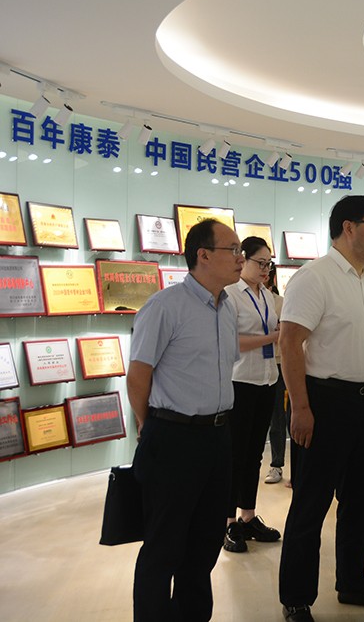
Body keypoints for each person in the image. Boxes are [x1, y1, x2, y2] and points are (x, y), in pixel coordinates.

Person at [278, 195, 364, 622]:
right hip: (324, 402)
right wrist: (301, 408)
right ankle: (296, 598)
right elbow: (289, 343)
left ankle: (352, 582)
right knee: (311, 504)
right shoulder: (315, 277)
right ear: (349, 227)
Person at [127, 219, 242, 622]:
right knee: (164, 545)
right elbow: (138, 375)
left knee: (205, 542)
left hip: (218, 437)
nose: (240, 258)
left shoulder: (227, 308)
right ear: (203, 255)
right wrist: (150, 425)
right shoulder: (165, 306)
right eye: (232, 249)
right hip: (173, 437)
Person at [222, 236, 282, 552]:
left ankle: (248, 516)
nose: (265, 269)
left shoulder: (267, 296)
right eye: (260, 263)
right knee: (235, 454)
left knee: (255, 453)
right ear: (243, 259)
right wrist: (271, 337)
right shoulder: (230, 294)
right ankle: (228, 522)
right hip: (240, 382)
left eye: (268, 264)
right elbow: (232, 341)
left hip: (266, 380)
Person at [264, 266, 289, 486]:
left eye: (266, 271)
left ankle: (277, 464)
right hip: (257, 365)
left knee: (281, 417)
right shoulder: (240, 298)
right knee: (271, 417)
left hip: (280, 364)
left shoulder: (280, 303)